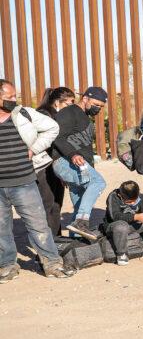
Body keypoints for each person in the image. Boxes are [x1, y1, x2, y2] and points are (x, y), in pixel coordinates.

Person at [0, 79, 72, 281]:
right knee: (1, 229)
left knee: (38, 225)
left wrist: (35, 148)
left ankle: (52, 263)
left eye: (15, 96)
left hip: (24, 182)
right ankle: (7, 265)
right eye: (9, 97)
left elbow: (52, 128)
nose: (14, 100)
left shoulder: (24, 114)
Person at [50, 86, 108, 242]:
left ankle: (76, 245)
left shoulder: (85, 117)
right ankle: (81, 221)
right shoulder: (69, 112)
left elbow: (84, 148)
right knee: (98, 182)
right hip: (67, 161)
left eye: (101, 107)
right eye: (96, 104)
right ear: (85, 98)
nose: (98, 108)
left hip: (79, 166)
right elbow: (57, 137)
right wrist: (71, 155)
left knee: (80, 204)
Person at [102, 180, 143, 264]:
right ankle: (121, 254)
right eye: (129, 202)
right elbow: (115, 217)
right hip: (116, 228)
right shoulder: (113, 197)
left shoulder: (140, 197)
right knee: (121, 226)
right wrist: (135, 217)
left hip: (134, 226)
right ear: (120, 195)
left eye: (135, 200)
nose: (133, 203)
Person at [34, 87, 71, 236]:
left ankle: (56, 240)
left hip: (55, 164)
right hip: (44, 166)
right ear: (57, 102)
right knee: (48, 204)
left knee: (56, 204)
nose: (70, 107)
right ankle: (46, 246)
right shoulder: (43, 115)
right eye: (68, 103)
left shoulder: (57, 115)